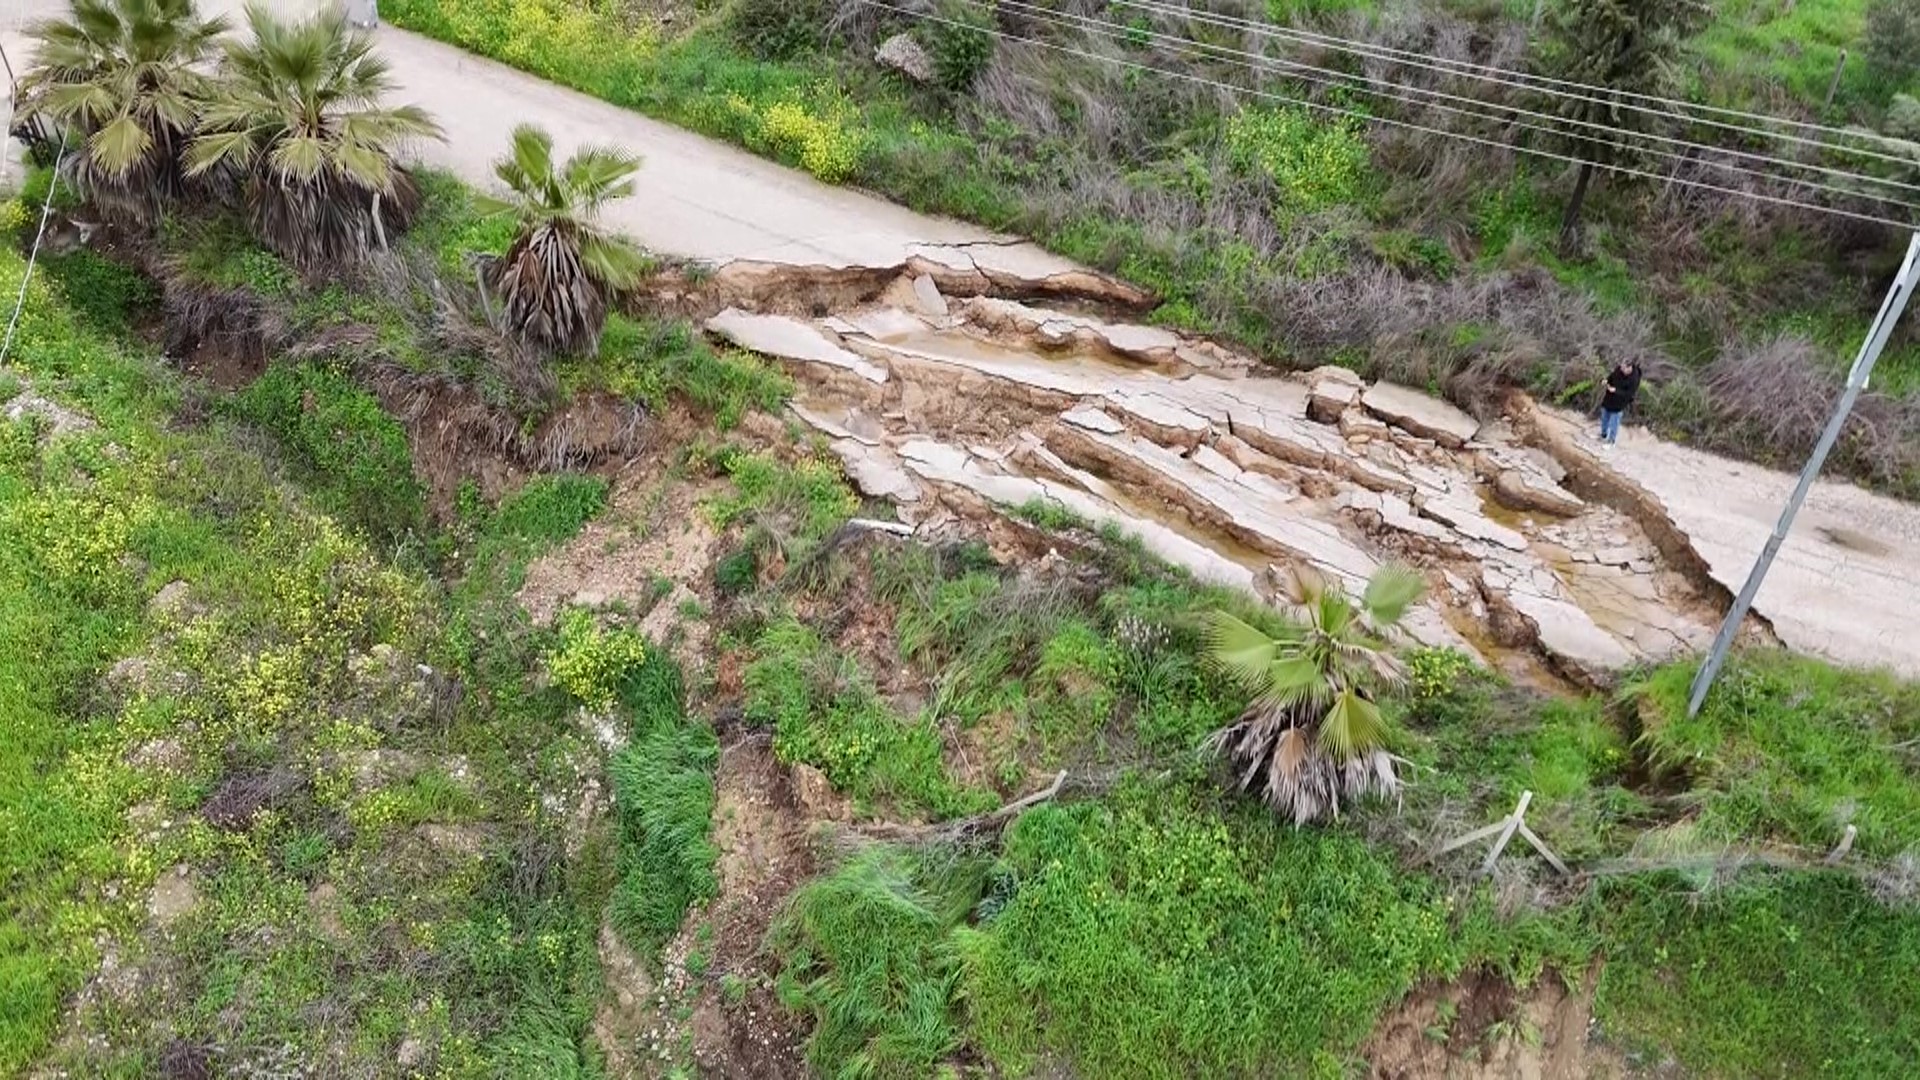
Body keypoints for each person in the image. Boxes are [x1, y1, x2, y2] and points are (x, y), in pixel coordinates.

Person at [1598, 358, 1641, 447]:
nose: (1621, 369)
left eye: (1623, 368)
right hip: (1609, 397)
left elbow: (1629, 394)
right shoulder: (1619, 369)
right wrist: (1606, 380)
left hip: (1620, 402)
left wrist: (1616, 390)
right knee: (1604, 415)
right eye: (1621, 367)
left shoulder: (1634, 379)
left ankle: (1611, 441)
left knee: (1614, 421)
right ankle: (1603, 435)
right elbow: (1612, 376)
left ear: (1629, 368)